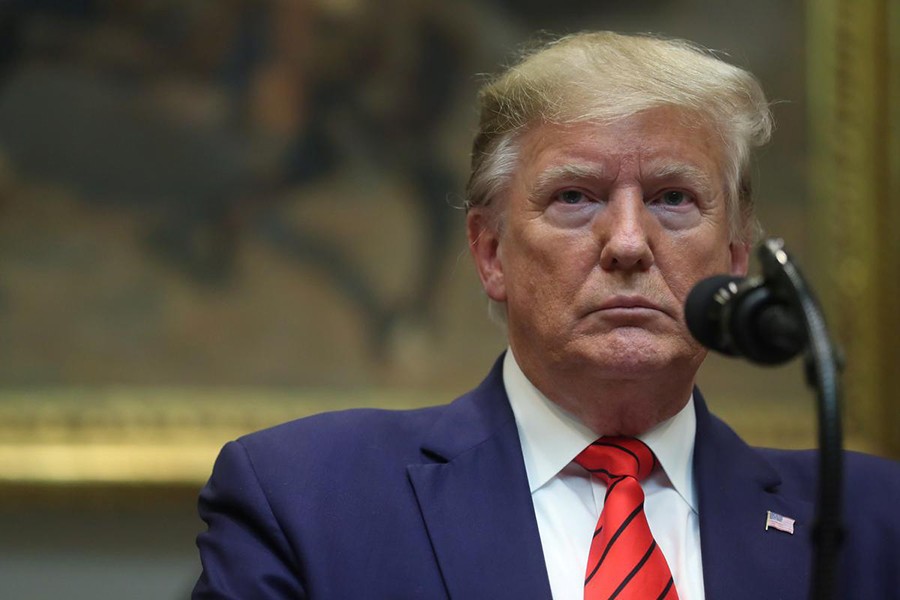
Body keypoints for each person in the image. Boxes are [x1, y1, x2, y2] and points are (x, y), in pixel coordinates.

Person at [193, 31, 900, 599]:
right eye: (574, 197)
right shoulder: (308, 499)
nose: (627, 242)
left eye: (674, 198)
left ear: (736, 258)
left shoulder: (870, 520)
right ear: (490, 252)